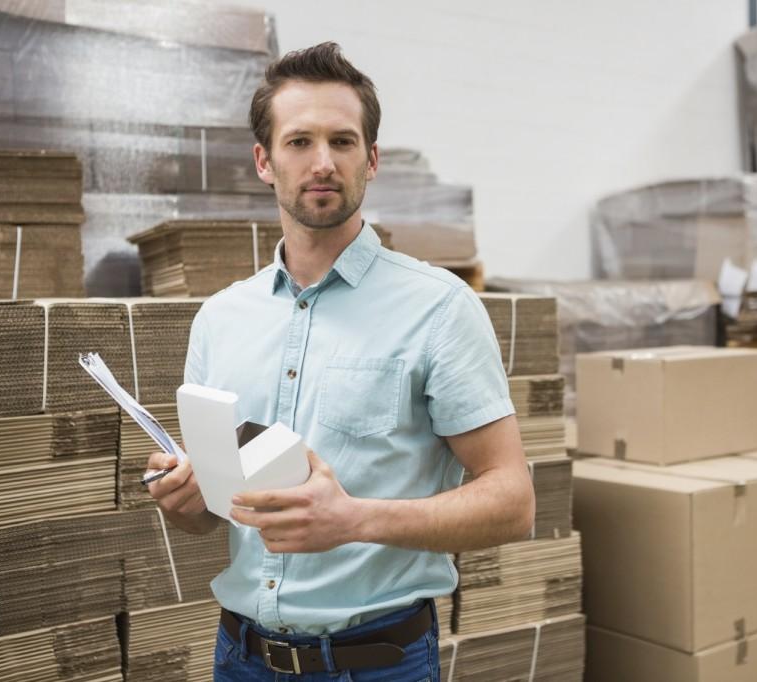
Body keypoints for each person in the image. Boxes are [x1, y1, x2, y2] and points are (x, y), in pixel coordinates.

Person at [146, 41, 534, 681]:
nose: (322, 162)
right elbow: (210, 517)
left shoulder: (439, 309)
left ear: (372, 159)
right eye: (299, 142)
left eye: (343, 141)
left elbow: (513, 501)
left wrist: (354, 519)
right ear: (265, 162)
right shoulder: (221, 319)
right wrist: (185, 499)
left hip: (377, 663)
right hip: (241, 658)